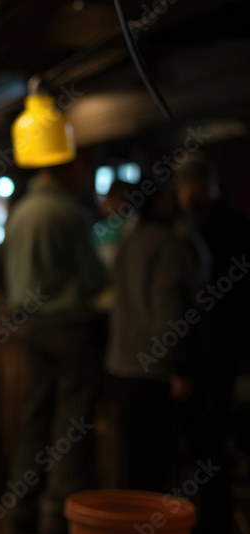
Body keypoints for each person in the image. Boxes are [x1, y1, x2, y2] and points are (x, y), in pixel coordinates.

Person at [3, 158, 107, 534]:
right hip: (72, 328)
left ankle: (22, 511)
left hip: (30, 329)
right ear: (64, 171)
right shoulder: (69, 213)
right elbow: (96, 278)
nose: (84, 178)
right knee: (72, 425)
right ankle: (57, 522)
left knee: (34, 418)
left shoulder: (20, 213)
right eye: (81, 170)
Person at [104, 179, 200, 493]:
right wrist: (179, 364)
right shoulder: (167, 241)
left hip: (122, 360)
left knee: (131, 458)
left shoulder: (129, 240)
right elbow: (168, 305)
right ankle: (153, 532)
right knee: (155, 460)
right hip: (155, 363)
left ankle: (131, 528)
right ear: (159, 201)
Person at [173, 155, 250, 534]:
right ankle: (218, 516)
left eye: (183, 188)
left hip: (209, 349)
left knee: (205, 435)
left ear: (197, 185)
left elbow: (193, 293)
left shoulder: (200, 228)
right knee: (213, 434)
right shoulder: (237, 222)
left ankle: (216, 519)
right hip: (232, 346)